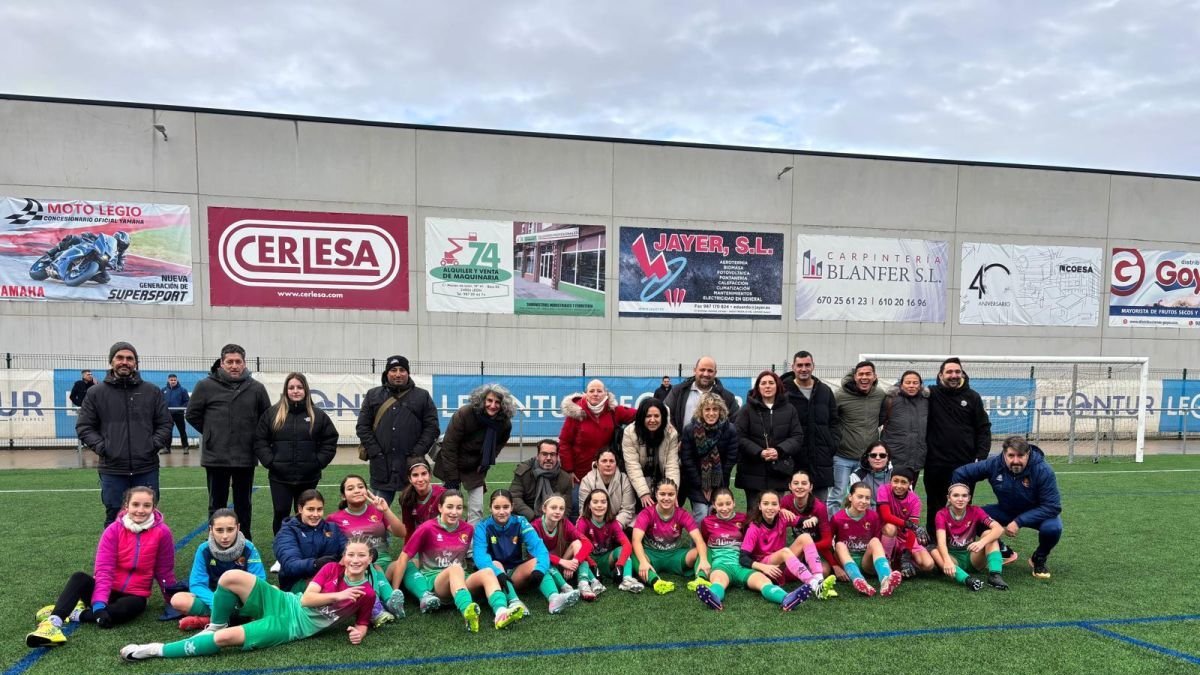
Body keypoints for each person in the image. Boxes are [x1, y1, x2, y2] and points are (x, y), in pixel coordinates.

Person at [120, 536, 378, 661]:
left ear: (369, 560)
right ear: (344, 556)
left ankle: (155, 649)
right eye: (351, 554)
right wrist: (339, 594)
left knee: (222, 640)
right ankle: (216, 623)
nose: (355, 560)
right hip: (286, 601)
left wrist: (360, 633)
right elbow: (306, 600)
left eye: (361, 556)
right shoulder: (331, 569)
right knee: (231, 576)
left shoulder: (367, 593)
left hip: (290, 627)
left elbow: (363, 622)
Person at [27, 486, 177, 648]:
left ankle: (77, 613)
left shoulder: (163, 532)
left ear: (154, 507)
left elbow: (164, 571)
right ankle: (53, 623)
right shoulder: (113, 530)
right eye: (135, 504)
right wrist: (98, 605)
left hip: (135, 595)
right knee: (79, 578)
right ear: (126, 506)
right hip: (107, 589)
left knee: (125, 610)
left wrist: (172, 601)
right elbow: (104, 570)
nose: (140, 510)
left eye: (146, 505)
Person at [76, 341, 172, 526]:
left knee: (147, 516)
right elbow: (84, 427)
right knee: (114, 517)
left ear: (136, 363)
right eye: (120, 357)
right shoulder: (96, 393)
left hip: (146, 467)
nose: (124, 362)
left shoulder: (151, 391)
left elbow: (165, 423)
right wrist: (104, 448)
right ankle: (113, 556)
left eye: (130, 358)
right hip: (112, 468)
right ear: (111, 361)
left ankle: (146, 555)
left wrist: (151, 446)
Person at [389, 490, 513, 632]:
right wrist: (395, 590)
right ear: (440, 508)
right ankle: (468, 611)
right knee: (455, 568)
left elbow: (479, 553)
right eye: (449, 507)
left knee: (488, 572)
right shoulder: (427, 528)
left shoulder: (467, 529)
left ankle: (501, 612)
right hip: (436, 583)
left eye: (459, 508)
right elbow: (404, 557)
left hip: (461, 581)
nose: (454, 512)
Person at [187, 344, 271, 539]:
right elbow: (192, 415)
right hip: (216, 456)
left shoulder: (256, 388)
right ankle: (215, 541)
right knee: (216, 504)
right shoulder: (205, 386)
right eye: (230, 362)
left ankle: (244, 541)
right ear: (221, 363)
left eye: (238, 362)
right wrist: (212, 434)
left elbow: (265, 418)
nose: (234, 366)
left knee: (243, 504)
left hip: (245, 456)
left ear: (244, 363)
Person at [951, 435, 1062, 579]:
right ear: (1004, 454)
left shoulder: (1043, 470)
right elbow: (960, 473)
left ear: (1028, 454)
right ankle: (1003, 550)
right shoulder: (994, 464)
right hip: (1005, 510)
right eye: (1011, 455)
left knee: (1053, 528)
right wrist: (962, 500)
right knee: (974, 517)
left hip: (1036, 514)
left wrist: (1019, 521)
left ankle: (1039, 558)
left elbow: (1052, 507)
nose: (1016, 461)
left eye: (1020, 456)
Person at [694, 488, 814, 612]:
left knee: (764, 581)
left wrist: (780, 510)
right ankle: (713, 598)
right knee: (719, 581)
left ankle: (786, 598)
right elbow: (704, 543)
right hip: (721, 565)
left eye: (728, 503)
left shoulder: (744, 518)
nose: (725, 508)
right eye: (720, 504)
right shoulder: (707, 522)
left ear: (734, 503)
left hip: (743, 565)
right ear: (714, 505)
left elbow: (763, 516)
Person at [254, 372, 339, 536]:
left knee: (305, 514)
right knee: (281, 512)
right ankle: (282, 548)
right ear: (286, 390)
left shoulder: (318, 415)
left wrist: (318, 461)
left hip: (308, 476)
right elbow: (260, 440)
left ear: (305, 390)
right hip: (279, 476)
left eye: (299, 387)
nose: (295, 391)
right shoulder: (272, 414)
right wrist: (270, 462)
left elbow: (330, 440)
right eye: (291, 387)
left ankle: (305, 545)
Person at [356, 355, 439, 506]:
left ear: (408, 373)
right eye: (393, 370)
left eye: (402, 370)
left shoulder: (422, 396)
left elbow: (432, 427)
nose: (398, 374)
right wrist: (376, 452)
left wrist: (417, 453)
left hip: (412, 466)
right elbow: (362, 427)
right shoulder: (373, 395)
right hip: (381, 466)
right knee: (378, 515)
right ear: (387, 373)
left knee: (417, 514)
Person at [327, 474, 408, 622]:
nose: (357, 490)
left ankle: (425, 597)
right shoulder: (334, 519)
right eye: (350, 488)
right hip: (358, 566)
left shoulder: (377, 511)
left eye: (360, 487)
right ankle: (389, 601)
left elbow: (401, 532)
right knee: (373, 566)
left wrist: (385, 510)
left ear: (367, 490)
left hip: (385, 562)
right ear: (343, 496)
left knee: (407, 563)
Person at [170, 508, 267, 630]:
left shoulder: (248, 548)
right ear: (211, 530)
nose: (225, 536)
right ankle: (237, 619)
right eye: (219, 530)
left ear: (238, 527)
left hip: (242, 601)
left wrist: (240, 600)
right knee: (178, 600)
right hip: (212, 599)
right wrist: (218, 604)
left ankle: (209, 620)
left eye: (230, 530)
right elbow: (197, 584)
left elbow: (259, 581)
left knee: (272, 591)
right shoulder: (203, 550)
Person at [925, 358, 992, 531]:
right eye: (949, 372)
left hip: (964, 464)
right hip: (935, 463)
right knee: (935, 504)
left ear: (962, 373)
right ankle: (934, 540)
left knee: (961, 504)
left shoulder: (973, 397)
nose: (954, 375)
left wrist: (981, 456)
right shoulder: (931, 394)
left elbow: (984, 428)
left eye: (957, 372)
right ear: (941, 375)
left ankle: (960, 539)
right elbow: (907, 390)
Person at [434, 383, 516, 524]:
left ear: (503, 404)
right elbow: (449, 445)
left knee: (476, 509)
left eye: (497, 402)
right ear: (482, 400)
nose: (493, 405)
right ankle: (445, 539)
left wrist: (487, 461)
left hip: (476, 468)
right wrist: (452, 478)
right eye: (489, 401)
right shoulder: (465, 413)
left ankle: (472, 544)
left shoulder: (504, 423)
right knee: (450, 507)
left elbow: (499, 444)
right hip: (451, 463)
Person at [739, 490, 834, 607]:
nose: (770, 507)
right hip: (766, 569)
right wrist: (763, 567)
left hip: (782, 566)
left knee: (805, 537)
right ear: (759, 506)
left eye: (774, 504)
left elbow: (802, 521)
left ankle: (819, 580)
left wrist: (814, 519)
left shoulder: (782, 517)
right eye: (766, 504)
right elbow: (743, 558)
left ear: (780, 506)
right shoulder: (754, 527)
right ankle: (814, 585)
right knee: (785, 552)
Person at [472, 489, 556, 617]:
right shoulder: (483, 526)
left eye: (506, 507)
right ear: (490, 508)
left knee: (537, 562)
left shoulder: (520, 522)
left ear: (512, 507)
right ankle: (515, 602)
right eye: (497, 507)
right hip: (494, 577)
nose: (501, 512)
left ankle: (554, 598)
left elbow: (539, 548)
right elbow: (479, 556)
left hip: (515, 574)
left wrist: (540, 569)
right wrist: (497, 572)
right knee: (495, 563)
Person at [560, 379, 637, 518]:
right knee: (578, 508)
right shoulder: (575, 414)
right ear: (586, 394)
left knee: (606, 507)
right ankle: (578, 537)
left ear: (606, 393)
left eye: (599, 391)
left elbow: (641, 414)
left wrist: (661, 417)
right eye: (592, 391)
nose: (595, 394)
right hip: (579, 473)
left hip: (606, 471)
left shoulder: (614, 411)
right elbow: (564, 442)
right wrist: (569, 470)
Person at [735, 371, 804, 507]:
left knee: (776, 514)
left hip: (779, 472)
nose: (767, 386)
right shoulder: (747, 409)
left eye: (771, 383)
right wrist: (759, 452)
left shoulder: (789, 409)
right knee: (754, 514)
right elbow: (738, 436)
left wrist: (779, 450)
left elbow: (797, 437)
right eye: (763, 383)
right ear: (758, 387)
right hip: (752, 472)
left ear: (777, 386)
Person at [631, 479, 710, 595]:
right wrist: (643, 561)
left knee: (704, 551)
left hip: (675, 556)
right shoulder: (647, 513)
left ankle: (700, 579)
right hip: (651, 556)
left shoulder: (682, 514)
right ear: (656, 495)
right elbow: (636, 540)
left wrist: (703, 560)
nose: (666, 498)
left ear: (676, 495)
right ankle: (656, 582)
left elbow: (699, 540)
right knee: (633, 553)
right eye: (662, 494)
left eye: (671, 494)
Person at [781, 351, 840, 506]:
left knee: (820, 506)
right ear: (793, 367)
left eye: (807, 365)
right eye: (799, 365)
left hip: (820, 459)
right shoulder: (783, 392)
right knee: (792, 508)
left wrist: (831, 445)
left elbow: (834, 422)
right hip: (793, 459)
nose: (804, 369)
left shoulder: (825, 391)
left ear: (813, 366)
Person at [931, 483, 1009, 591]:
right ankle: (967, 580)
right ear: (948, 498)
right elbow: (941, 542)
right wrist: (947, 561)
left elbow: (999, 529)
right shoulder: (941, 514)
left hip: (972, 556)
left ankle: (995, 576)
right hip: (953, 559)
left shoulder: (975, 511)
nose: (960, 499)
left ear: (969, 498)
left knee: (988, 534)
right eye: (956, 495)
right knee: (935, 551)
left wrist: (981, 542)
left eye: (964, 496)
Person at [830, 361, 885, 515]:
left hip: (868, 459)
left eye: (868, 374)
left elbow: (881, 418)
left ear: (875, 376)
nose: (864, 377)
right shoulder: (840, 395)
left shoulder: (880, 395)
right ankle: (832, 531)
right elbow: (832, 420)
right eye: (861, 374)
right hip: (843, 457)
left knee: (869, 497)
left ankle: (867, 529)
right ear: (854, 377)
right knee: (837, 495)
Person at [831, 482, 902, 597]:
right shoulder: (837, 518)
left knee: (875, 541)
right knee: (839, 545)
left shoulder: (873, 516)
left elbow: (877, 543)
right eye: (860, 497)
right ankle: (859, 580)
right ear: (850, 497)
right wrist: (835, 566)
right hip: (846, 560)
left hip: (866, 561)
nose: (864, 501)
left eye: (867, 498)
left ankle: (886, 580)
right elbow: (829, 545)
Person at [273, 489, 347, 593]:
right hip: (298, 584)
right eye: (311, 509)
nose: (316, 514)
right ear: (300, 508)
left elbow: (347, 548)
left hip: (331, 578)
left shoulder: (332, 528)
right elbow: (290, 565)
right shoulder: (287, 532)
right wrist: (315, 564)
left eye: (319, 509)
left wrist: (364, 552)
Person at [679, 392, 739, 520]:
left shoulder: (730, 429)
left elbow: (731, 459)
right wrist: (702, 485)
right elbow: (687, 459)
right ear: (701, 411)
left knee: (715, 512)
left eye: (715, 409)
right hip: (695, 482)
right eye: (707, 409)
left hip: (720, 481)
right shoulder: (690, 429)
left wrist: (718, 484)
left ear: (720, 411)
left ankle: (715, 540)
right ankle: (699, 541)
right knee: (701, 512)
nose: (711, 413)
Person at [576, 488, 643, 593]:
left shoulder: (612, 522)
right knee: (579, 550)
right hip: (588, 561)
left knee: (622, 549)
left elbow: (627, 544)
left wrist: (620, 564)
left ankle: (627, 580)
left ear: (607, 505)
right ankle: (592, 582)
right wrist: (593, 565)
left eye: (603, 502)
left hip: (606, 560)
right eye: (595, 502)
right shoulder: (583, 522)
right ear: (589, 505)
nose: (599, 505)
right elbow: (578, 547)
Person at [534, 495, 597, 602]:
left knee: (577, 543)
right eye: (553, 508)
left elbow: (587, 543)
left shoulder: (565, 523)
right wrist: (562, 561)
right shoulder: (535, 526)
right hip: (545, 566)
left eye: (561, 508)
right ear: (544, 509)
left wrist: (574, 561)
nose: (558, 511)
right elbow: (535, 554)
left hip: (562, 563)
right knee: (542, 560)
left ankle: (583, 584)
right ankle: (566, 587)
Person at [875, 468, 936, 579]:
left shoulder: (915, 500)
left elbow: (912, 531)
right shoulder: (883, 489)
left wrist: (906, 555)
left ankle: (900, 563)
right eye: (895, 481)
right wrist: (910, 525)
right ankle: (886, 562)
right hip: (887, 534)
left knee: (928, 565)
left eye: (903, 482)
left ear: (910, 484)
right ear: (890, 481)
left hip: (905, 537)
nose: (898, 485)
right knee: (890, 527)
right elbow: (886, 516)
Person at [621, 398, 681, 511]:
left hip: (660, 476)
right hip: (637, 478)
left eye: (657, 416)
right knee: (640, 512)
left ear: (663, 417)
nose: (652, 420)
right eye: (648, 416)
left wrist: (672, 491)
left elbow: (672, 465)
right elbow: (632, 465)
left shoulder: (671, 433)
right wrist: (643, 492)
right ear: (641, 417)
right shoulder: (630, 432)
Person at [781, 469, 837, 578]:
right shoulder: (786, 501)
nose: (800, 486)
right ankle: (801, 567)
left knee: (824, 571)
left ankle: (802, 568)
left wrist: (805, 547)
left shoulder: (819, 507)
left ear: (810, 487)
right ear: (790, 486)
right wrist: (780, 511)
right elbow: (773, 520)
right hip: (799, 546)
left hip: (819, 548)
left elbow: (827, 542)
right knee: (780, 571)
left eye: (804, 483)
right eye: (796, 483)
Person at [664, 356, 740, 434]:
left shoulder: (726, 397)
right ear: (695, 370)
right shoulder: (678, 391)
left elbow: (736, 423)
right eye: (702, 370)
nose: (706, 374)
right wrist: (676, 437)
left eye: (710, 371)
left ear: (715, 373)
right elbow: (665, 414)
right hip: (682, 444)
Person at [879, 370, 928, 477]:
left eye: (915, 383)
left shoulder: (926, 401)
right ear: (901, 384)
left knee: (910, 492)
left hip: (917, 458)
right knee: (889, 491)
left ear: (920, 385)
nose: (911, 386)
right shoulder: (890, 400)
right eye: (908, 382)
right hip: (893, 458)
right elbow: (877, 422)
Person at [510, 439, 573, 520]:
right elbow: (514, 497)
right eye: (544, 454)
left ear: (557, 457)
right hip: (527, 518)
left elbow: (567, 507)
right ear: (537, 456)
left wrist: (553, 522)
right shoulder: (524, 472)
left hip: (553, 520)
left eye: (552, 454)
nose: (548, 458)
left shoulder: (565, 478)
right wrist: (533, 517)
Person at [577, 447, 638, 528]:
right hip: (595, 524)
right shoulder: (587, 481)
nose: (608, 464)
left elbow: (628, 510)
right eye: (604, 461)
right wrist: (599, 526)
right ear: (597, 464)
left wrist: (615, 527)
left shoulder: (624, 480)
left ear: (616, 464)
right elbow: (584, 510)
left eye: (612, 461)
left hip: (619, 524)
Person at [39, 230, 130, 283]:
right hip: (90, 249)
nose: (121, 247)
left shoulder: (121, 254)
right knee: (72, 238)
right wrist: (88, 236)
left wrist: (118, 267)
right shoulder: (106, 241)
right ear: (116, 239)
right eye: (120, 244)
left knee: (106, 278)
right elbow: (90, 235)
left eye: (123, 246)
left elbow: (121, 264)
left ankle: (82, 275)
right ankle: (50, 254)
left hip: (101, 260)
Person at [398, 458, 446, 535]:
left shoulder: (443, 495)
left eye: (424, 474)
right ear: (410, 479)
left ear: (430, 475)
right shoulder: (406, 498)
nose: (420, 479)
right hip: (421, 538)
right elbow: (409, 529)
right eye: (415, 475)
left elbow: (452, 525)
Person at [847, 442, 894, 507]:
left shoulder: (895, 473)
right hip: (866, 511)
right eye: (873, 455)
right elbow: (854, 500)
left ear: (888, 458)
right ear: (867, 457)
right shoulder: (857, 475)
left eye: (882, 455)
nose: (877, 458)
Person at [161, 374, 191, 454]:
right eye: (171, 380)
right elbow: (160, 402)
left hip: (179, 415)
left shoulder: (182, 390)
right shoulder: (163, 390)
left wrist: (180, 409)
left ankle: (185, 447)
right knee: (168, 432)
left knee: (182, 431)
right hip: (167, 415)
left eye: (174, 380)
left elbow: (187, 401)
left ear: (177, 380)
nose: (173, 381)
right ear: (168, 380)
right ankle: (167, 448)